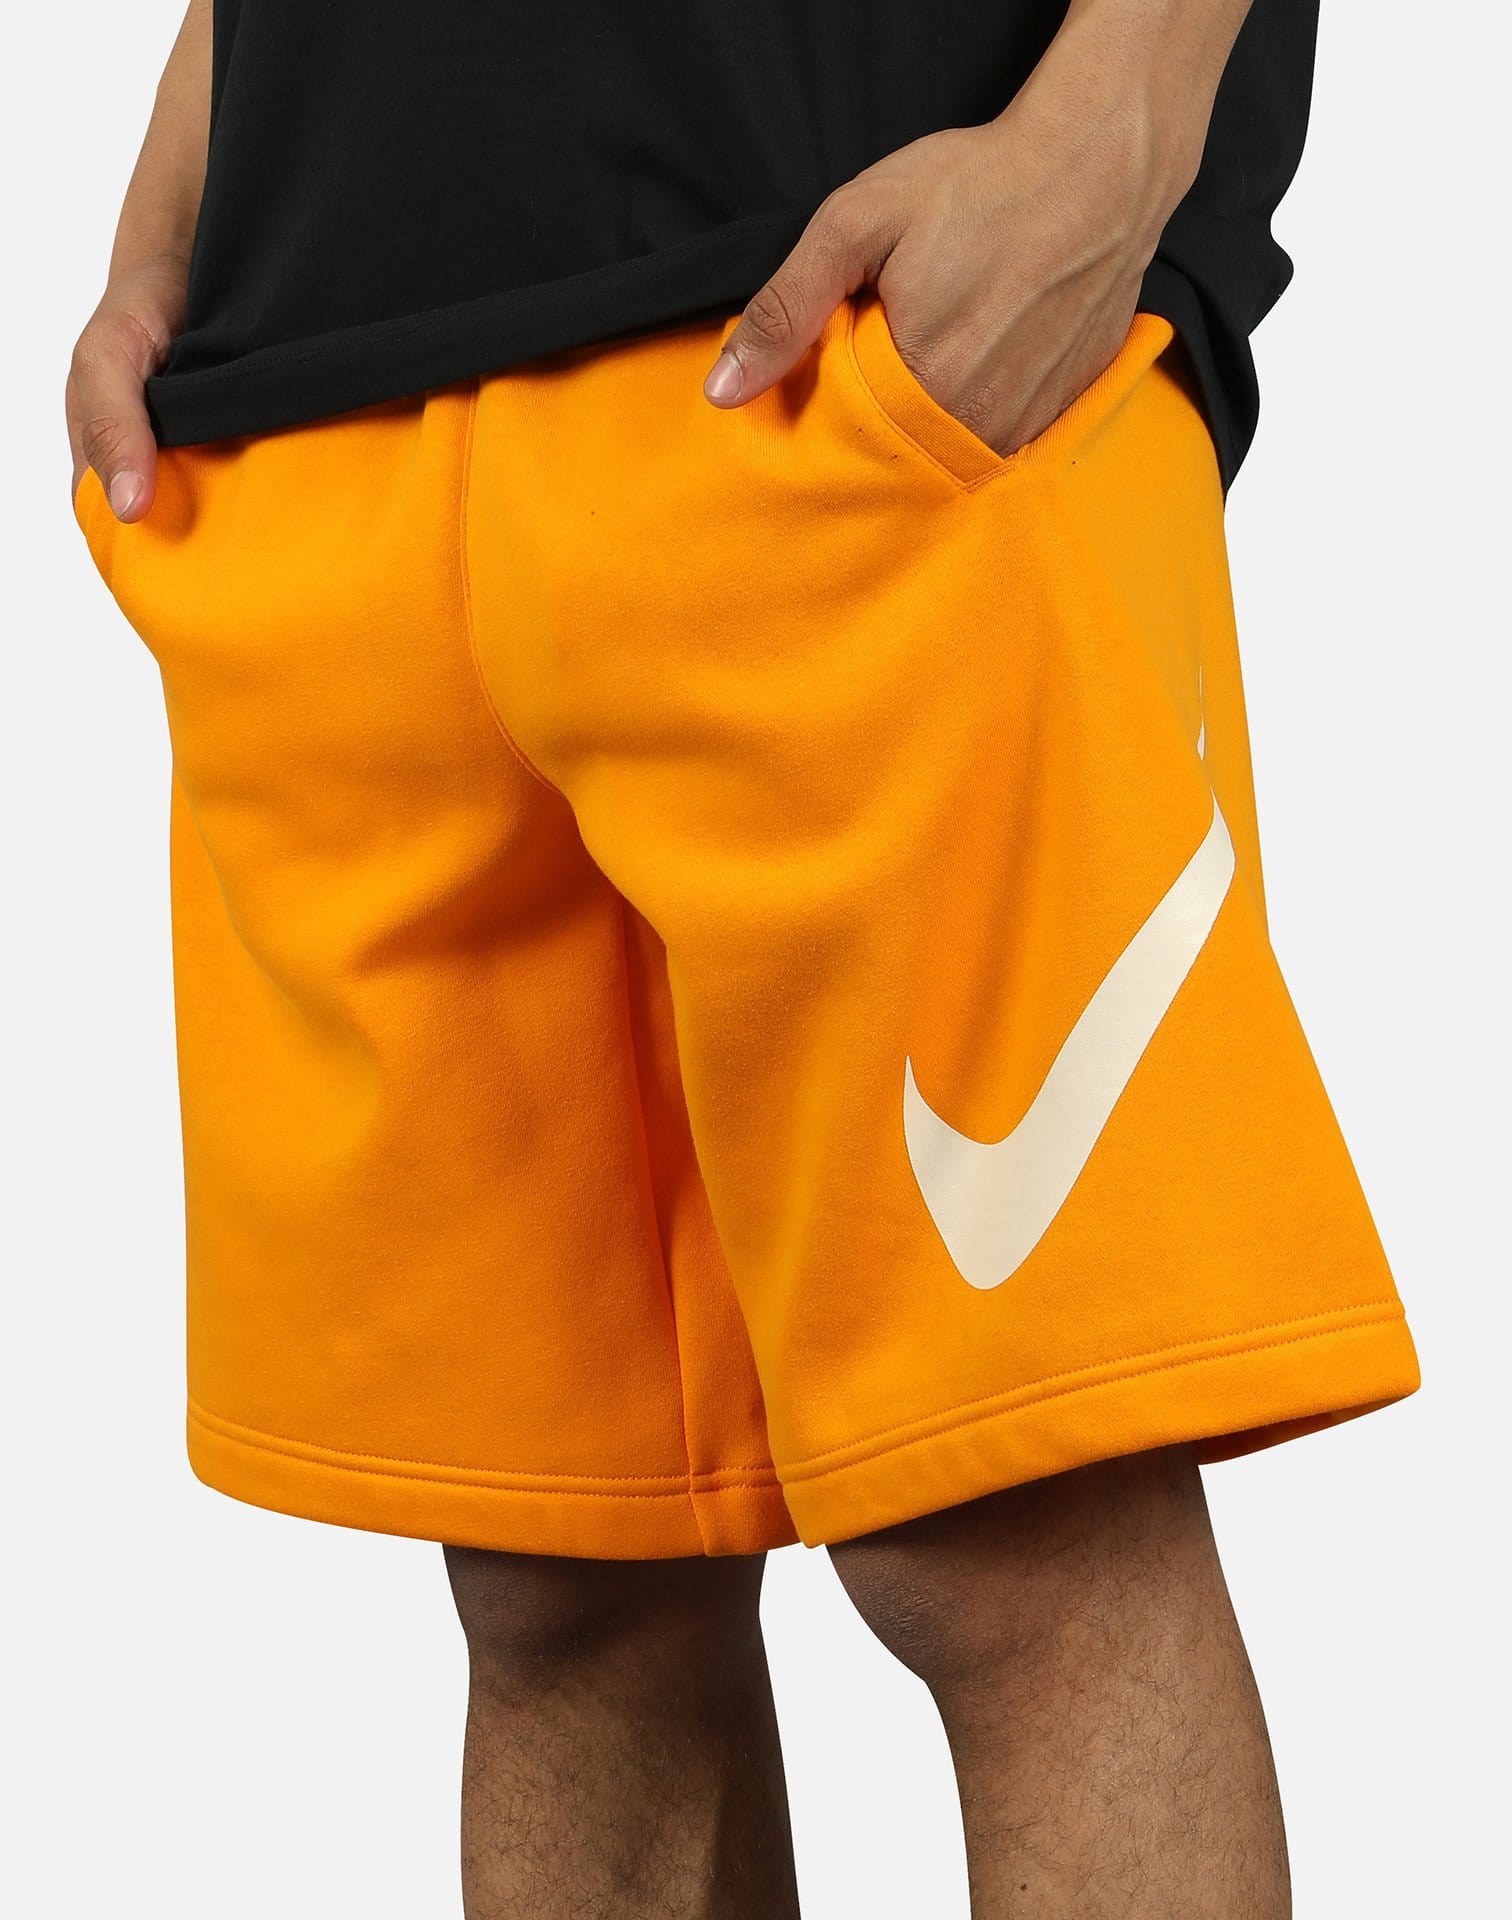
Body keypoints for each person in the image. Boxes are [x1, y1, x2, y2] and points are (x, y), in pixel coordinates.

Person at [67, 1, 1418, 1913]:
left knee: (1017, 1527)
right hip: (328, 396)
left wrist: (1110, 119)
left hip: (854, 315)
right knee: (562, 1585)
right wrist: (167, 219)